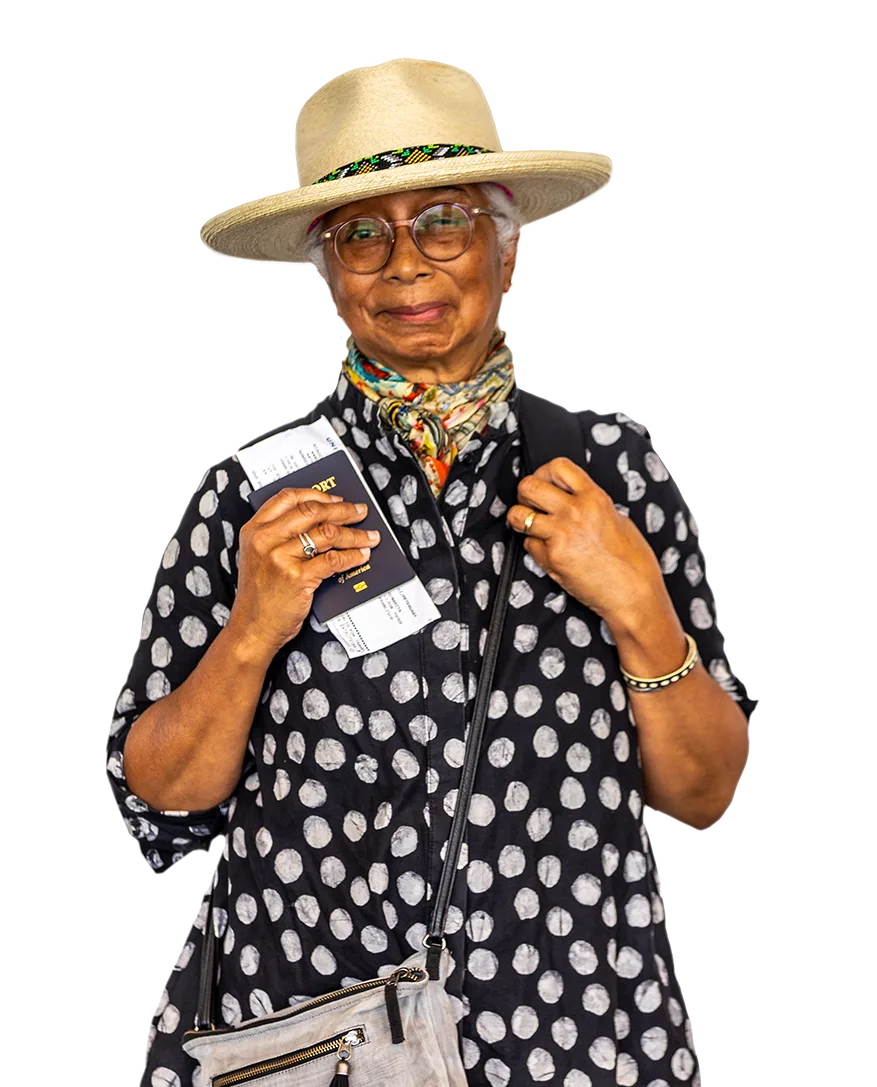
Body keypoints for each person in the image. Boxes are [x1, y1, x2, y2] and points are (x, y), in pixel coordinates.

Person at [112, 59, 754, 1087]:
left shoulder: (613, 468)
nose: (403, 266)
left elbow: (705, 793)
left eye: (443, 222)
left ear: (508, 255)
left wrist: (642, 611)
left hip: (578, 1031)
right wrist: (252, 629)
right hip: (314, 1024)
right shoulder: (251, 495)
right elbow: (160, 799)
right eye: (362, 233)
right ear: (328, 275)